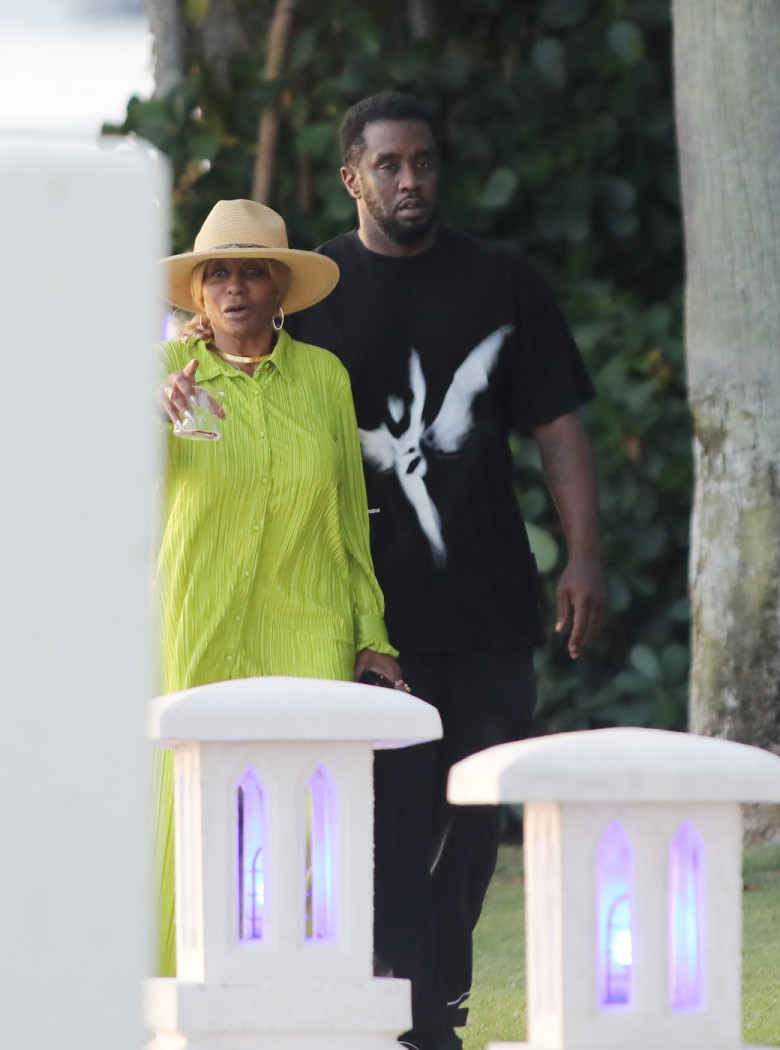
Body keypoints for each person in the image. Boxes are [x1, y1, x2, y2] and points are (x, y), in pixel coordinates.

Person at [291, 93, 607, 1050]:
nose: (410, 180)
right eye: (387, 165)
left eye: (422, 161)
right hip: (363, 621)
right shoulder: (311, 291)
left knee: (471, 836)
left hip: (490, 608)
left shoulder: (501, 280)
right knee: (384, 839)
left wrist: (584, 554)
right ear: (352, 178)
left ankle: (433, 1010)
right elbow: (233, 360)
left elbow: (558, 422)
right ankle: (416, 1027)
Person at [153, 198, 403, 977]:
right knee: (184, 820)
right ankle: (170, 1009)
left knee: (297, 828)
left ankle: (296, 1010)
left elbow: (345, 517)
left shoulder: (324, 377)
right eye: (216, 274)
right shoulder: (162, 376)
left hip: (307, 629)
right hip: (196, 622)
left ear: (279, 289)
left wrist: (373, 635)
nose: (233, 288)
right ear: (197, 293)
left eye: (251, 272)